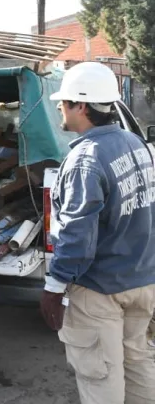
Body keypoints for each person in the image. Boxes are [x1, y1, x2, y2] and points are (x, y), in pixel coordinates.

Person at [40, 61, 155, 404]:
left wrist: (54, 287)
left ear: (81, 106)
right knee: (138, 364)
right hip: (141, 281)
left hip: (99, 290)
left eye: (63, 102)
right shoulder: (136, 145)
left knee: (100, 376)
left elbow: (77, 236)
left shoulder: (85, 160)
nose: (59, 108)